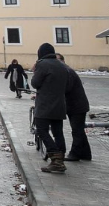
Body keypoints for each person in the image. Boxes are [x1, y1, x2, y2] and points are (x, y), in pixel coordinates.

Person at [31, 43, 70, 173]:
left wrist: (35, 70)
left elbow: (35, 83)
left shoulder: (42, 64)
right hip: (59, 104)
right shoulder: (62, 65)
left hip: (44, 105)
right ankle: (61, 159)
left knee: (41, 130)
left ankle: (56, 158)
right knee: (58, 132)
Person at [55, 54, 92, 162]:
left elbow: (67, 88)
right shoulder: (66, 71)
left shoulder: (67, 71)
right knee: (78, 129)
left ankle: (74, 154)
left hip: (77, 106)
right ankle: (86, 154)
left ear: (62, 61)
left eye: (57, 60)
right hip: (75, 105)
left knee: (77, 130)